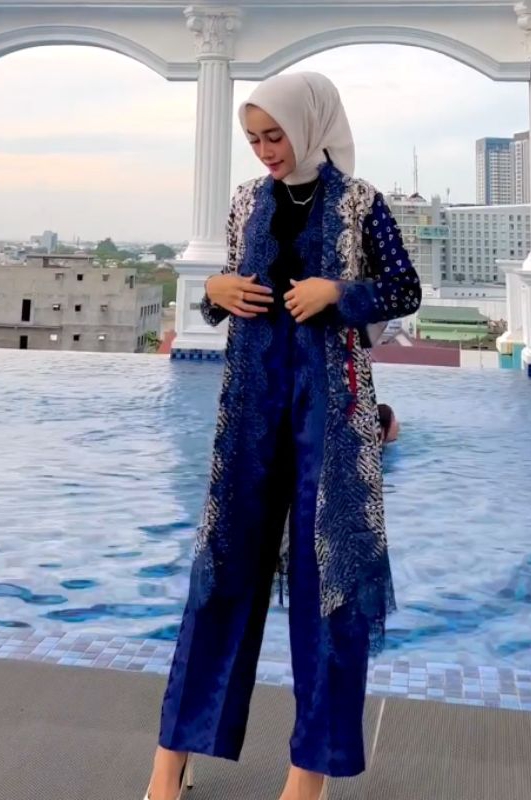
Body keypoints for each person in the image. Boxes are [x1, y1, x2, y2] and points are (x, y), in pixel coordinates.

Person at [144, 71, 421, 800]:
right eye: (254, 139)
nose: (266, 150)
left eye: (275, 135)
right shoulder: (246, 202)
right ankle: (172, 758)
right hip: (251, 405)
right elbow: (228, 287)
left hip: (336, 411)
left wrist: (339, 292)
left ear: (309, 125)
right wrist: (213, 291)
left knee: (329, 583)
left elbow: (404, 289)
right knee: (221, 573)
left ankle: (309, 774)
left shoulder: (360, 203)